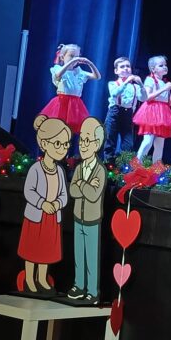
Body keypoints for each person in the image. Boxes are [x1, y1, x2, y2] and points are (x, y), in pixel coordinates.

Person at [18, 115, 70, 296]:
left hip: (52, 217)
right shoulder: (36, 169)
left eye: (65, 144)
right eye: (58, 144)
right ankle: (29, 279)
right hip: (36, 216)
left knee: (46, 250)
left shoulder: (60, 171)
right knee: (32, 248)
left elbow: (64, 194)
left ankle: (42, 278)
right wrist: (42, 203)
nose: (63, 148)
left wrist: (57, 203)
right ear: (44, 144)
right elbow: (29, 191)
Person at [69, 117, 105, 303]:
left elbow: (93, 195)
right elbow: (73, 191)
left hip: (92, 220)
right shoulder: (79, 168)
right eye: (81, 140)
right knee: (79, 255)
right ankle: (79, 285)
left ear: (96, 144)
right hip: (78, 217)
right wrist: (85, 185)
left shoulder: (99, 170)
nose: (83, 145)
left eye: (87, 141)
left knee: (91, 256)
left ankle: (92, 290)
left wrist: (82, 185)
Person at [40, 43, 101, 134]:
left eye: (76, 57)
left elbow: (97, 76)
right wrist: (72, 61)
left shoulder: (79, 72)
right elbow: (58, 75)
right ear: (62, 57)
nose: (74, 59)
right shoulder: (57, 68)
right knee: (58, 127)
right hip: (61, 102)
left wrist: (90, 63)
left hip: (74, 104)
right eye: (71, 56)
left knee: (70, 130)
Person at [133, 55, 171, 164]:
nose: (165, 67)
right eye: (161, 65)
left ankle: (156, 167)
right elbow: (147, 97)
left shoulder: (165, 82)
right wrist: (164, 89)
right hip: (152, 112)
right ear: (153, 69)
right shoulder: (150, 80)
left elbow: (170, 103)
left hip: (163, 114)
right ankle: (137, 164)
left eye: (165, 65)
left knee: (159, 144)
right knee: (148, 141)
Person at [103, 57, 142, 162]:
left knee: (128, 143)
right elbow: (115, 93)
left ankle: (123, 165)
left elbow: (144, 98)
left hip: (128, 113)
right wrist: (127, 81)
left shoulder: (135, 87)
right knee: (110, 139)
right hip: (115, 112)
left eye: (128, 66)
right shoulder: (113, 83)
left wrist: (141, 84)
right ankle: (108, 164)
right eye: (122, 67)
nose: (125, 68)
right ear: (116, 71)